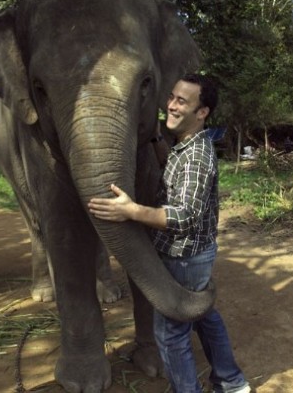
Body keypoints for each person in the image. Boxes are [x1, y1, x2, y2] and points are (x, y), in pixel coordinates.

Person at [88, 73, 250, 393]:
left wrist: (130, 210)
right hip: (195, 254)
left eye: (182, 101)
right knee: (204, 315)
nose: (171, 106)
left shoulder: (196, 157)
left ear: (202, 112)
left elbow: (184, 216)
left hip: (183, 256)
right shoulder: (186, 144)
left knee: (171, 334)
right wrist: (157, 141)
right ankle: (231, 382)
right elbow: (178, 178)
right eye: (172, 97)